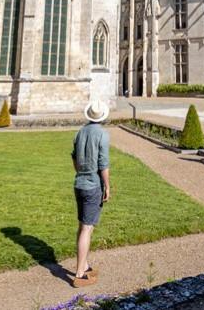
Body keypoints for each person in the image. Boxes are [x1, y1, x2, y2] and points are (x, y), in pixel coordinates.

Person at [71, 99, 111, 287]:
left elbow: (74, 158)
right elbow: (103, 164)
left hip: (79, 183)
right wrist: (107, 185)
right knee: (87, 228)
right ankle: (79, 274)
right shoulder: (102, 135)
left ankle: (85, 265)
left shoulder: (80, 132)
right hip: (93, 185)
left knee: (82, 226)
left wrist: (80, 172)